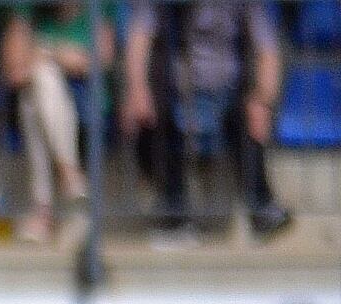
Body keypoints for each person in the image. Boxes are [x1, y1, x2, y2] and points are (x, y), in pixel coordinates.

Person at [119, 0, 291, 241]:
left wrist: (263, 100)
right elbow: (139, 38)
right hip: (171, 92)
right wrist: (137, 89)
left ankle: (262, 208)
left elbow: (268, 51)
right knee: (147, 119)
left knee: (249, 117)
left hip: (229, 93)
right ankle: (173, 215)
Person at [0, 4, 102, 241]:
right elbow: (14, 72)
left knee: (37, 90)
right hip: (43, 101)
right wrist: (62, 57)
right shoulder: (26, 11)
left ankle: (42, 213)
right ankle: (70, 174)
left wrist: (47, 53)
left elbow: (100, 59)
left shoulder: (96, 8)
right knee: (39, 87)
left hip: (85, 98)